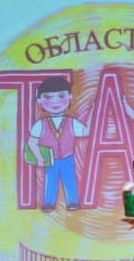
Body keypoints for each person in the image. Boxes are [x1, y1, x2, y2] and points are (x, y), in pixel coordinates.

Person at [27, 77, 92, 212]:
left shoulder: (72, 122)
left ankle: (72, 202)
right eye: (48, 97)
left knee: (70, 180)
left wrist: (92, 113)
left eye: (61, 96)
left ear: (70, 97)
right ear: (39, 101)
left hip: (68, 157)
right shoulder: (40, 124)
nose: (55, 102)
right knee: (50, 180)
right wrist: (39, 157)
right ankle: (48, 203)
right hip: (50, 159)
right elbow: (32, 142)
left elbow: (86, 131)